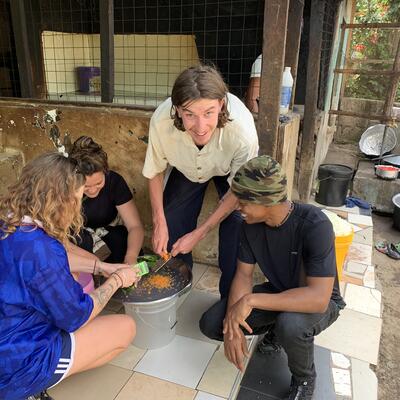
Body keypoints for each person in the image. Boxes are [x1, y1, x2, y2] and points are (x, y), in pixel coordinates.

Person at [199, 155, 346, 400]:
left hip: (321, 302)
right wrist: (232, 325)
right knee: (213, 323)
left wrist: (249, 301)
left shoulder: (315, 224)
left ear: (265, 200)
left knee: (291, 324)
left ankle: (304, 379)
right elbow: (243, 275)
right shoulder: (249, 226)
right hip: (280, 292)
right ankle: (276, 330)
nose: (238, 207)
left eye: (243, 201)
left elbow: (319, 299)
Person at [0, 152, 139, 400]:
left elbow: (40, 265)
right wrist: (117, 280)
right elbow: (76, 316)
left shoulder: (10, 221)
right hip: (17, 363)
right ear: (61, 201)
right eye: (77, 198)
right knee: (125, 328)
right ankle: (30, 389)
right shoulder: (43, 250)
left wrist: (102, 268)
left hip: (8, 327)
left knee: (71, 281)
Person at [142, 64, 259, 298]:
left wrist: (200, 233)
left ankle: (229, 298)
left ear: (221, 105)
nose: (201, 126)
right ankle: (177, 289)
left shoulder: (242, 133)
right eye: (189, 115)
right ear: (177, 110)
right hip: (187, 167)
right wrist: (159, 221)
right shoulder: (161, 122)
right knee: (171, 220)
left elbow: (238, 191)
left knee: (238, 226)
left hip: (228, 169)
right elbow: (154, 170)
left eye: (208, 113)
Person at [67, 135, 144, 276]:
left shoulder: (114, 181)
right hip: (74, 242)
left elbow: (135, 226)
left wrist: (130, 258)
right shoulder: (65, 188)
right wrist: (98, 266)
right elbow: (57, 239)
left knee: (122, 241)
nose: (93, 190)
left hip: (105, 234)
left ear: (105, 171)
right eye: (86, 186)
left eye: (98, 183)